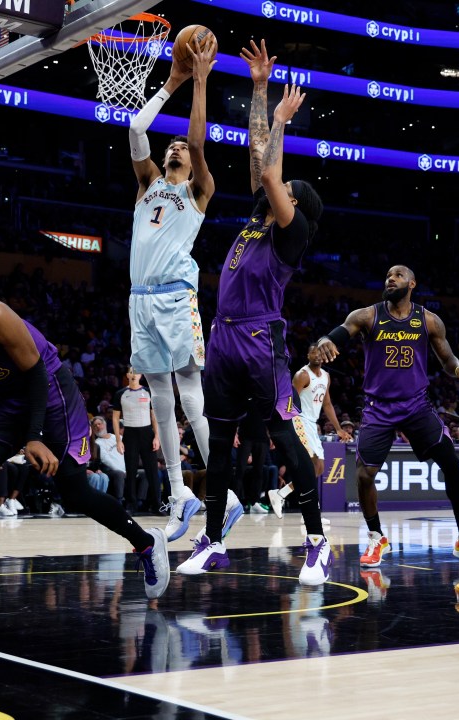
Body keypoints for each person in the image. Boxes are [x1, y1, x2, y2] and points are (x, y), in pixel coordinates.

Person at [0, 291, 169, 626]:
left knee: (74, 492)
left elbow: (36, 372)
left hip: (52, 392)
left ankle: (145, 543)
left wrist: (34, 437)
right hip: (2, 400)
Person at [176, 40, 330, 585]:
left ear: (297, 204)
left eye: (290, 187)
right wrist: (260, 90)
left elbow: (269, 172)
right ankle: (214, 540)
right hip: (223, 336)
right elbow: (256, 155)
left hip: (261, 339)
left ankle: (316, 539)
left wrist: (285, 121)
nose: (279, 183)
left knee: (283, 438)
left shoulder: (294, 231)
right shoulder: (257, 216)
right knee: (219, 443)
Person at [128, 34, 240, 542]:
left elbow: (197, 142)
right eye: (170, 146)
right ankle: (180, 492)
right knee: (160, 399)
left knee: (191, 397)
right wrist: (170, 82)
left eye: (181, 150)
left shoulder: (198, 191)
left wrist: (199, 82)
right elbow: (135, 127)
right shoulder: (148, 182)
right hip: (139, 302)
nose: (175, 148)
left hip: (176, 299)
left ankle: (226, 494)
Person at [317, 264, 459, 567]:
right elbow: (339, 334)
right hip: (378, 408)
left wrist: (458, 369)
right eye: (387, 275)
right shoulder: (367, 316)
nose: (390, 279)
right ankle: (376, 537)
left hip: (416, 405)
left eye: (397, 275)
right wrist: (325, 341)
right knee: (363, 475)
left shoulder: (429, 320)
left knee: (451, 462)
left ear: (412, 283)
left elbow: (447, 357)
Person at [269, 343, 353, 519]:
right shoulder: (302, 375)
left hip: (312, 424)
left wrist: (338, 429)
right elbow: (288, 401)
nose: (317, 355)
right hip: (298, 420)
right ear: (307, 356)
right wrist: (280, 428)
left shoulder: (326, 376)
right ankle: (311, 513)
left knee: (319, 468)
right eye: (313, 352)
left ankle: (281, 494)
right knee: (311, 465)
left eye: (319, 352)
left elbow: (327, 404)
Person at [112, 367, 162, 514]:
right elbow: (115, 418)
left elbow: (154, 416)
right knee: (131, 470)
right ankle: (131, 504)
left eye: (137, 372)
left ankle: (156, 505)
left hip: (147, 433)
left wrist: (157, 436)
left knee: (152, 471)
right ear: (127, 374)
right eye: (131, 372)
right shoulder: (120, 394)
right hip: (130, 433)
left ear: (141, 375)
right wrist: (118, 440)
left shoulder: (148, 392)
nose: (134, 375)